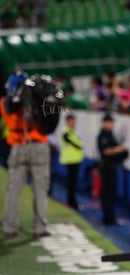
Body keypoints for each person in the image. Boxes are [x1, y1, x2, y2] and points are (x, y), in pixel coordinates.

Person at [0, 74, 54, 238]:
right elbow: (48, 116)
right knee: (40, 189)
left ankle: (10, 227)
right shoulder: (34, 98)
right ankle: (39, 228)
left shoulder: (3, 102)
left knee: (13, 190)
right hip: (38, 145)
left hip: (17, 146)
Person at [97, 113, 128, 225]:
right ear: (105, 123)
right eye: (110, 122)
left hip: (112, 168)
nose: (112, 125)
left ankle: (110, 217)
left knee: (111, 194)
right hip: (106, 168)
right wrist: (119, 149)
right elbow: (106, 151)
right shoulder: (103, 135)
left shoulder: (110, 135)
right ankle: (108, 217)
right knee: (107, 193)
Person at [59, 114, 84, 210]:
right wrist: (79, 143)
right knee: (71, 183)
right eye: (71, 121)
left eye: (74, 121)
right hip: (71, 160)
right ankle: (72, 202)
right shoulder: (67, 133)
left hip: (74, 159)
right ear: (67, 122)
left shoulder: (71, 132)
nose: (73, 123)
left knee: (72, 182)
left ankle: (72, 201)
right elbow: (79, 144)